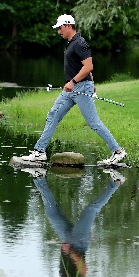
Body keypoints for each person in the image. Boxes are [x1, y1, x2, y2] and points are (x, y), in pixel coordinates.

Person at [21, 14, 127, 166]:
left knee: (93, 122)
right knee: (53, 114)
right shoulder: (71, 43)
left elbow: (89, 66)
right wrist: (90, 81)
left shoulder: (80, 43)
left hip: (80, 87)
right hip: (71, 89)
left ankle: (118, 152)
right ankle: (40, 152)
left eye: (60, 28)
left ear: (68, 25)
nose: (59, 31)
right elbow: (83, 66)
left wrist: (75, 81)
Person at [30, 168, 125, 277]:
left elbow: (65, 260)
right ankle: (116, 182)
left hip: (66, 240)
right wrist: (70, 251)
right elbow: (83, 266)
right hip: (78, 243)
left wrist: (63, 248)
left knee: (52, 213)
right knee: (90, 210)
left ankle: (39, 178)